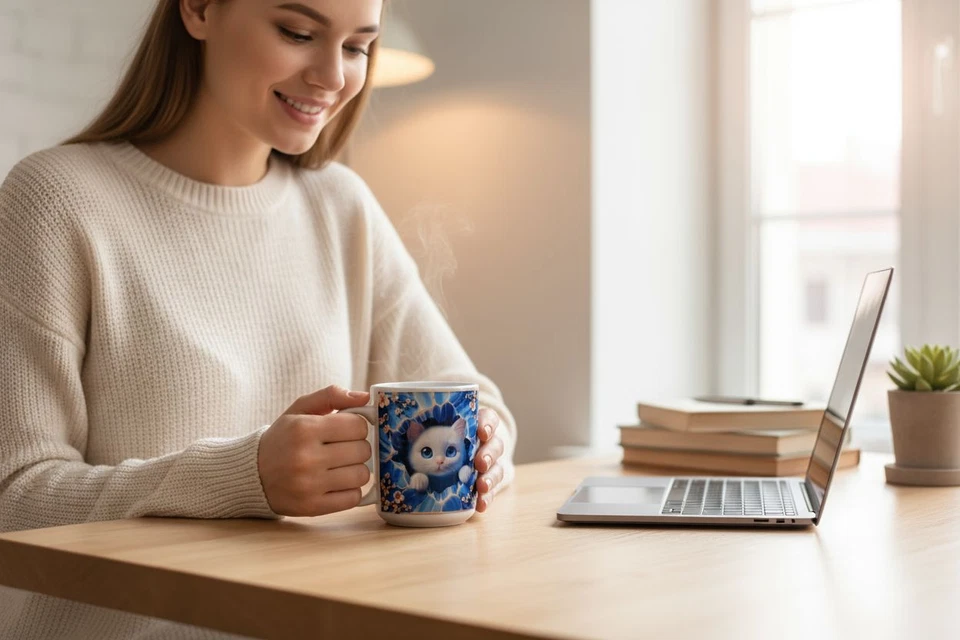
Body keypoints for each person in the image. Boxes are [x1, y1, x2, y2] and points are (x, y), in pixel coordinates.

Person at [0, 0, 516, 637]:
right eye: (298, 32)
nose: (333, 76)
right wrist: (243, 478)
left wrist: (484, 449)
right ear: (198, 9)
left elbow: (478, 402)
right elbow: (14, 498)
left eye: (357, 47)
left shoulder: (340, 206)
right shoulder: (55, 201)